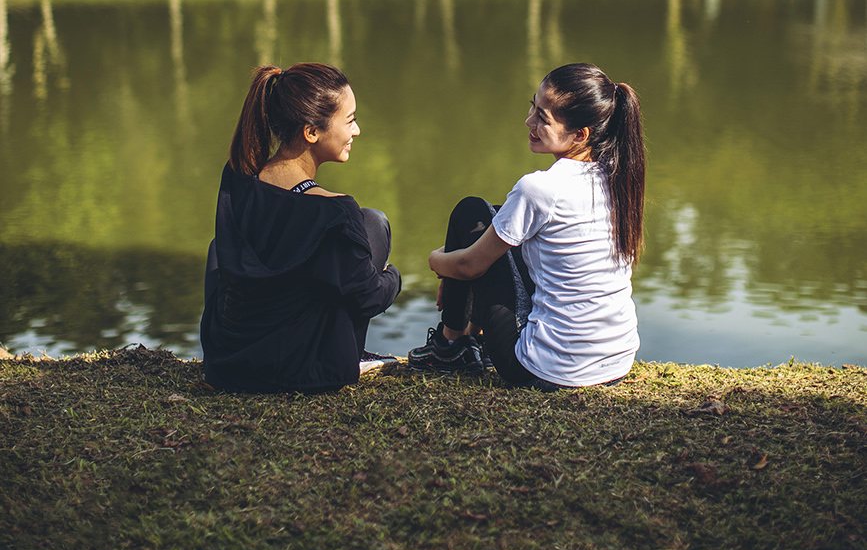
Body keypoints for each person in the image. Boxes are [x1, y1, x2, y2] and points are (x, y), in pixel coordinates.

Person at [408, 62, 645, 389]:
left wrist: (438, 261)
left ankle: (451, 346)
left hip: (544, 368)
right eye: (533, 107)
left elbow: (468, 266)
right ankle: (469, 340)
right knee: (496, 217)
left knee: (471, 212)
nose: (529, 121)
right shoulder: (620, 180)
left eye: (543, 118)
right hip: (616, 361)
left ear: (580, 135)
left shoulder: (540, 188)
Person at [201, 63, 401, 394]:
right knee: (374, 222)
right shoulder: (335, 211)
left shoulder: (238, 177)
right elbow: (369, 298)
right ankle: (351, 356)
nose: (356, 130)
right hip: (300, 372)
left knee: (218, 247)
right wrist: (393, 275)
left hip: (227, 364)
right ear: (311, 132)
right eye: (350, 120)